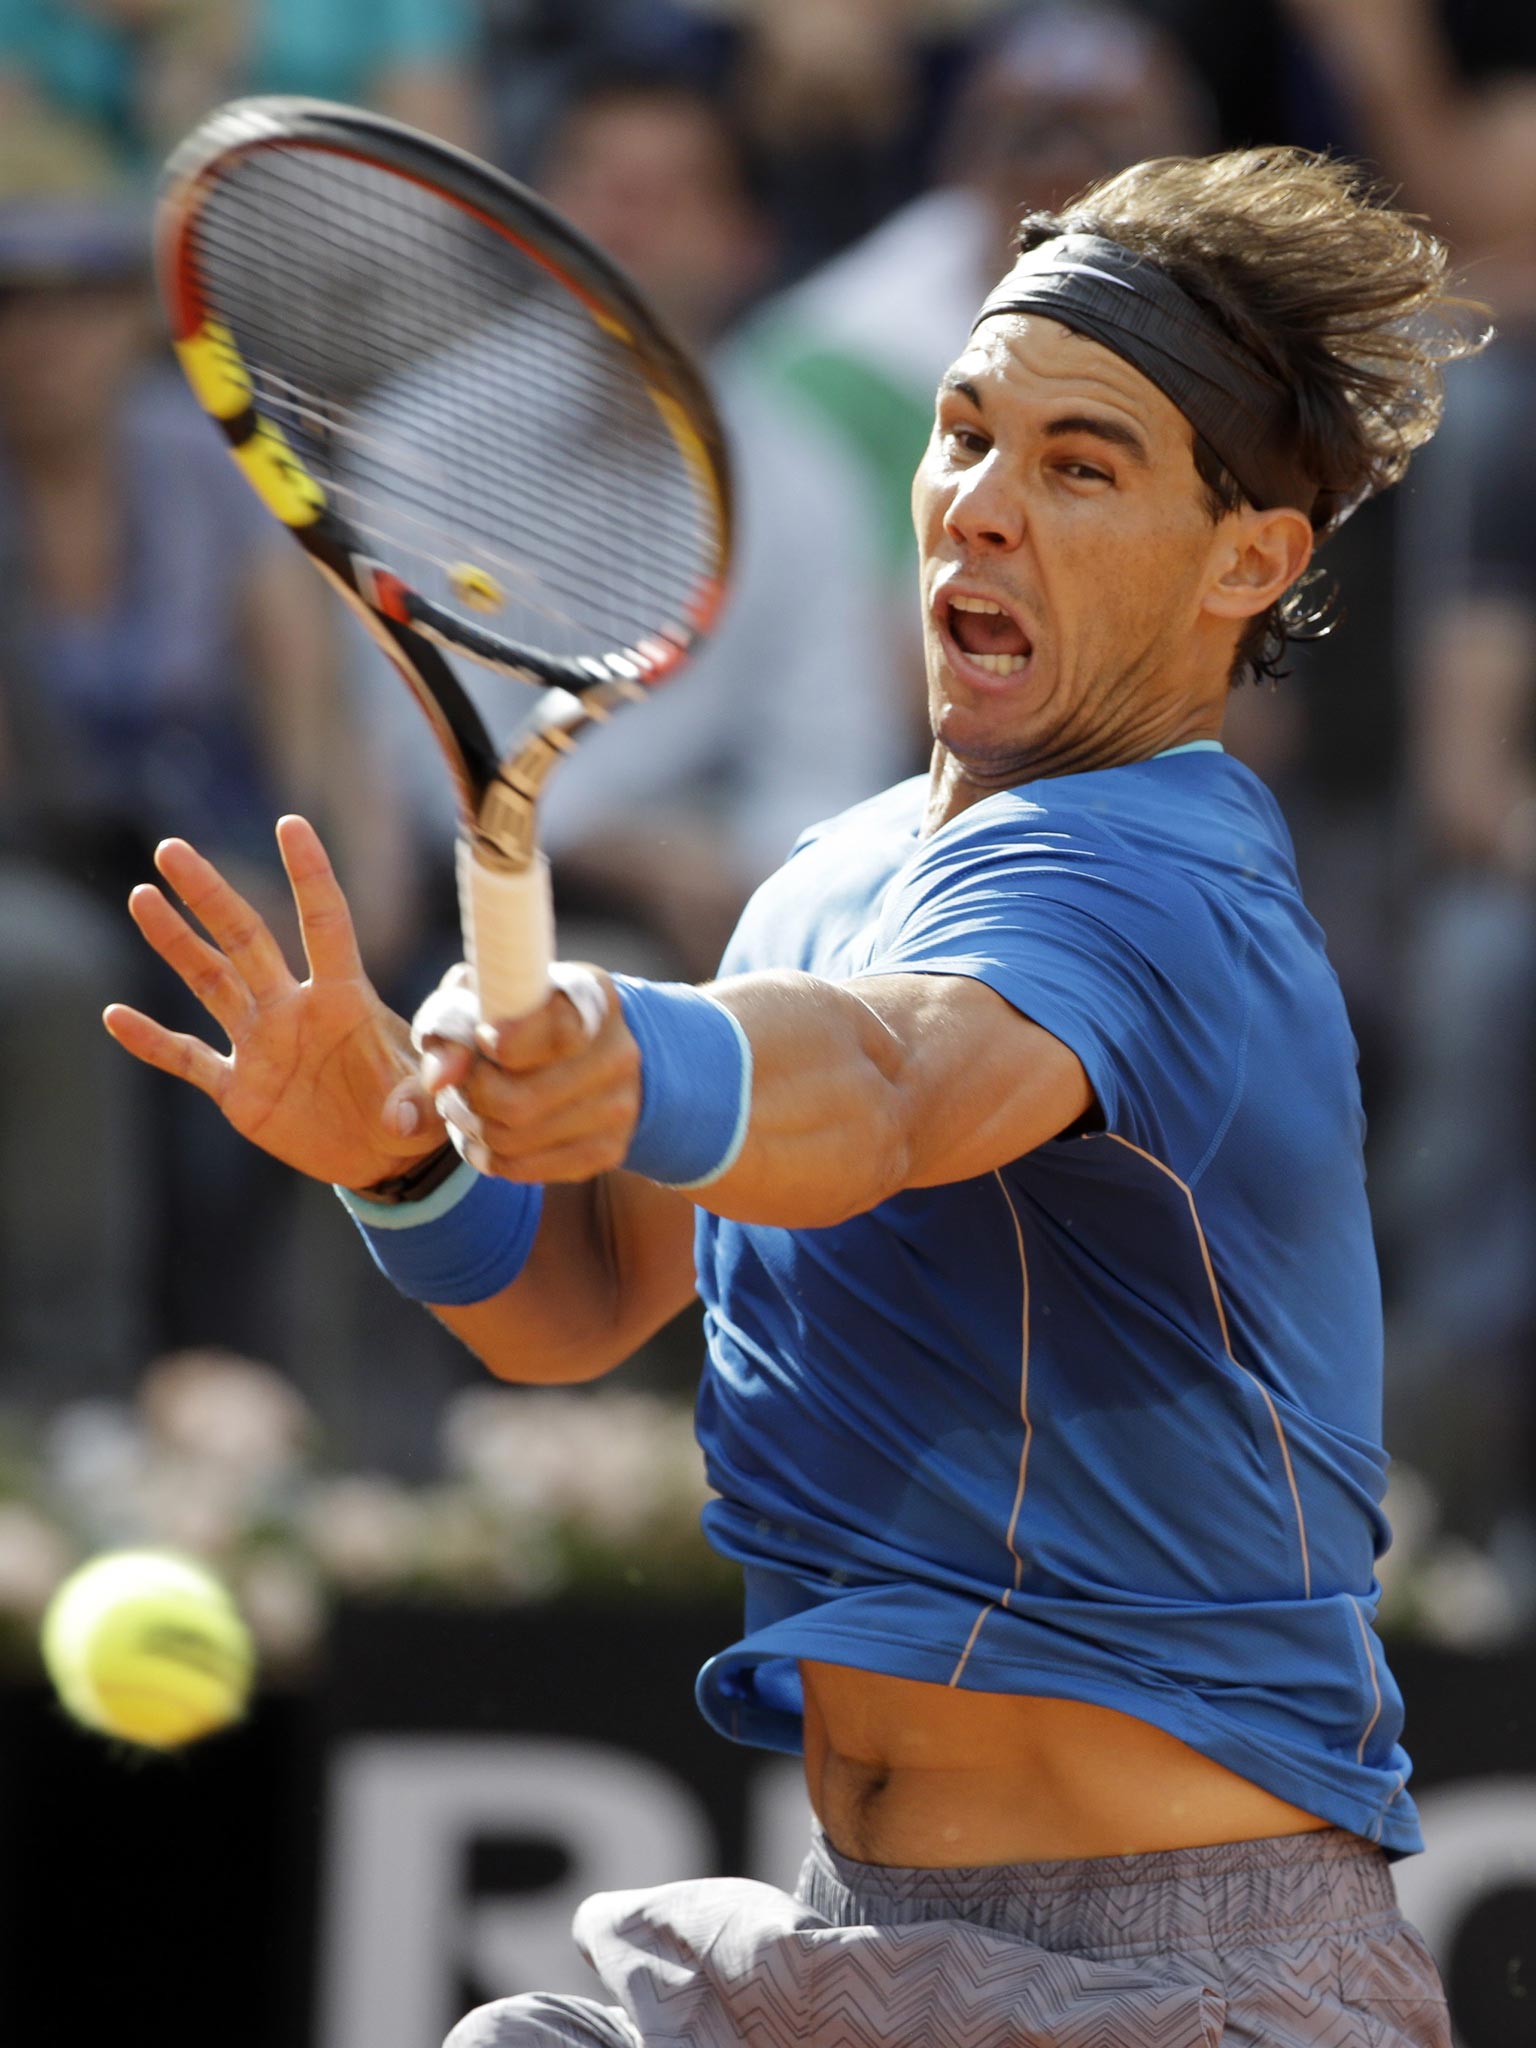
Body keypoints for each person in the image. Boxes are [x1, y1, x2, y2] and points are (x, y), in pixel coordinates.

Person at [105, 147, 1475, 2046]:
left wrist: (625, 1042)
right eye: (966, 436)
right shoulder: (831, 878)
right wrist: (405, 1159)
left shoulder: (1163, 881)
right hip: (856, 1938)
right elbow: (585, 1299)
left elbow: (890, 1087)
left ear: (1249, 559)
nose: (980, 506)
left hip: (1187, 1984)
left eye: (1081, 467)